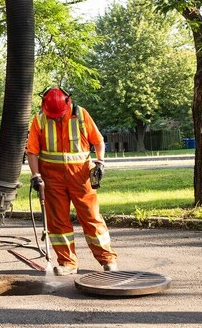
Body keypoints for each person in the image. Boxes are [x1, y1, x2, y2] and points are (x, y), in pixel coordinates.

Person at [26, 87, 118, 276]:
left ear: (69, 102)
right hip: (52, 178)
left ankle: (107, 259)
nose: (57, 118)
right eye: (54, 115)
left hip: (81, 176)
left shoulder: (82, 115)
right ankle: (68, 263)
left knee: (91, 217)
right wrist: (36, 175)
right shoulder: (40, 119)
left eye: (59, 115)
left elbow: (98, 141)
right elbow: (32, 151)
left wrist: (100, 161)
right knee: (58, 222)